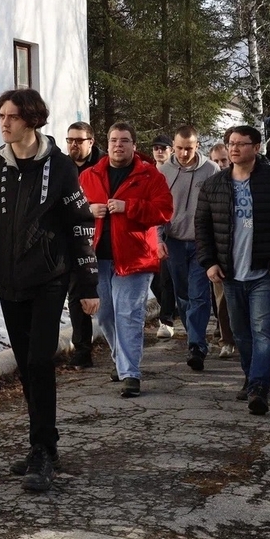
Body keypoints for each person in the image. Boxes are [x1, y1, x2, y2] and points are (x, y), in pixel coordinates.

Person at [0, 89, 100, 492]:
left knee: (40, 361)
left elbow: (80, 225)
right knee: (26, 366)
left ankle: (42, 449)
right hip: (10, 283)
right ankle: (44, 444)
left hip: (49, 279)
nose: (4, 123)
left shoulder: (60, 167)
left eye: (11, 116)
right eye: (0, 117)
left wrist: (87, 284)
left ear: (32, 120)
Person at [194, 125, 270, 415]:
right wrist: (209, 262)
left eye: (241, 144)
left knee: (263, 332)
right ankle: (250, 375)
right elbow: (202, 227)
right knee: (241, 334)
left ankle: (258, 387)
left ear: (256, 148)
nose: (234, 148)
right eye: (231, 143)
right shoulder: (214, 185)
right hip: (230, 274)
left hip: (265, 271)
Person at [80, 122, 173, 398]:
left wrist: (128, 207)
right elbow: (71, 210)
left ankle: (131, 373)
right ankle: (121, 359)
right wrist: (89, 210)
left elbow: (164, 211)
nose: (118, 145)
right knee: (105, 314)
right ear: (106, 144)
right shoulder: (89, 175)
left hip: (134, 258)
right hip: (98, 258)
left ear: (134, 145)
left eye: (124, 140)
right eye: (113, 140)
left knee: (128, 314)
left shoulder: (149, 175)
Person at [158, 125, 220, 369]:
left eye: (189, 149)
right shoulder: (164, 171)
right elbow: (157, 209)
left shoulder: (210, 170)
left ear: (197, 147)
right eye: (180, 148)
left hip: (201, 243)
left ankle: (197, 345)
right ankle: (194, 336)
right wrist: (158, 239)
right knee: (183, 295)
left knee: (199, 294)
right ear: (173, 147)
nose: (184, 154)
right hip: (174, 241)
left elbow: (219, 208)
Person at [64, 121, 106, 369]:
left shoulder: (104, 165)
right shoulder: (62, 167)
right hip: (73, 240)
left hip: (102, 239)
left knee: (106, 296)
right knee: (76, 293)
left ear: (91, 142)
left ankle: (119, 345)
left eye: (79, 141)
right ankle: (82, 350)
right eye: (70, 140)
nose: (73, 145)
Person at [207, 143, 236, 358]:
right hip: (219, 250)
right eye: (216, 161)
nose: (220, 164)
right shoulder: (211, 185)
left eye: (223, 160)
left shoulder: (242, 179)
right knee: (222, 299)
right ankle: (226, 340)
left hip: (243, 249)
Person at [150, 134, 180, 339]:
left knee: (166, 278)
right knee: (154, 281)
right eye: (156, 148)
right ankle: (171, 309)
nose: (159, 151)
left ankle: (166, 320)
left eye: (163, 148)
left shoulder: (175, 171)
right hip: (149, 231)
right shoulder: (148, 172)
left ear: (171, 150)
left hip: (170, 230)